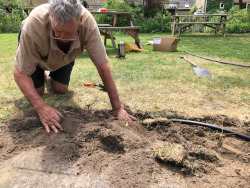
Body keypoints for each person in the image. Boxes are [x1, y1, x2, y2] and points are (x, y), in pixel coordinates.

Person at [14, 0, 137, 133]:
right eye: (58, 31)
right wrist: (41, 107)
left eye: (68, 33)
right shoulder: (34, 24)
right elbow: (20, 73)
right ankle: (39, 67)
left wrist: (117, 108)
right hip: (38, 51)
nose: (62, 38)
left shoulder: (88, 24)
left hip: (65, 55)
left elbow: (103, 67)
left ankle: (46, 74)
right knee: (37, 92)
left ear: (80, 20)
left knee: (60, 89)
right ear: (51, 19)